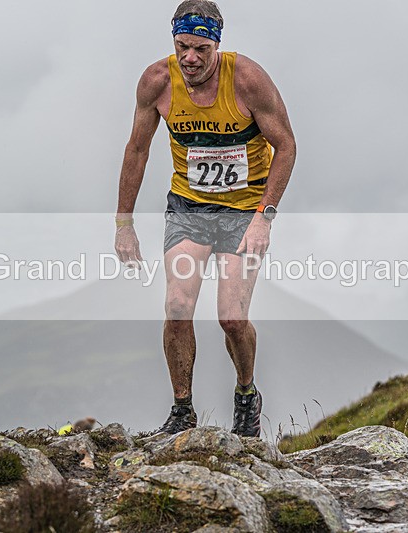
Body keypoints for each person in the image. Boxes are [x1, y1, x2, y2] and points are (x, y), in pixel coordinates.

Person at [114, 0, 296, 437]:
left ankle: (246, 395)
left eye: (200, 48)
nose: (190, 58)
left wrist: (264, 218)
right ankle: (182, 411)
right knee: (177, 306)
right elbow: (137, 151)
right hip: (189, 209)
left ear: (217, 44)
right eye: (182, 47)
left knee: (231, 318)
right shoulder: (157, 82)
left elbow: (286, 147)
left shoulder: (248, 81)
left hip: (243, 212)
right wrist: (124, 224)